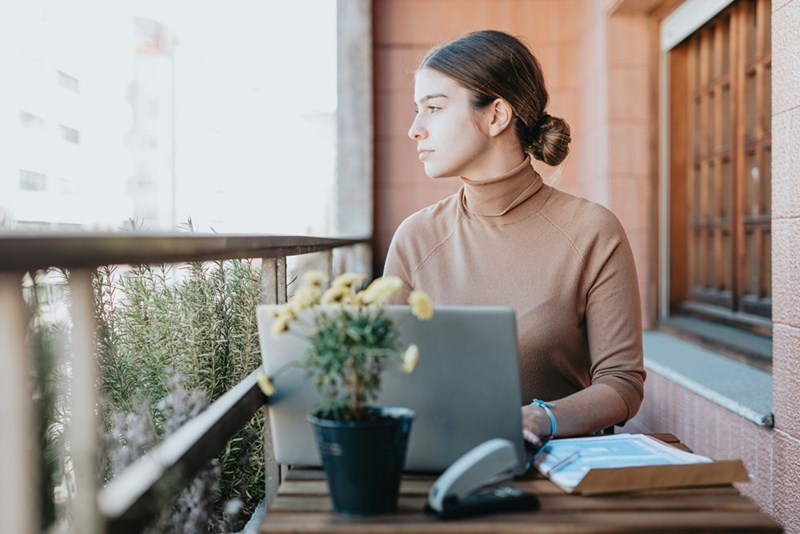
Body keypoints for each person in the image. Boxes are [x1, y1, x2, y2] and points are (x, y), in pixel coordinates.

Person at [383, 30, 645, 447]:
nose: (415, 129)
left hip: (557, 469)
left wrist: (540, 419)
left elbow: (622, 383)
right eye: (418, 110)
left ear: (496, 116)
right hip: (434, 462)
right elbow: (384, 372)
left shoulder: (592, 230)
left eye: (433, 108)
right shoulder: (416, 236)